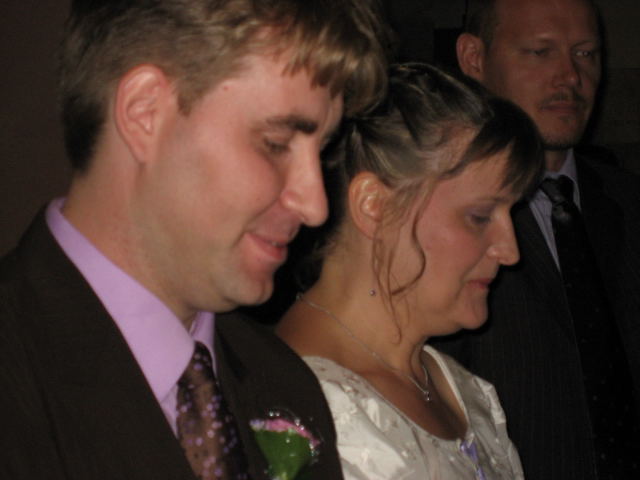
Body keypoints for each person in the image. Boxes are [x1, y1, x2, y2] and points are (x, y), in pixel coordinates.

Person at [0, 1, 387, 479]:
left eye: (320, 151)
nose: (315, 206)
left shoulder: (286, 384)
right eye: (276, 143)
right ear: (145, 112)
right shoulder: (18, 371)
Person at [277, 63, 544, 479]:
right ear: (375, 206)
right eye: (479, 216)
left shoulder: (459, 389)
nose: (509, 251)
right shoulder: (297, 408)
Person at [434, 0, 640, 478]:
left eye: (586, 53)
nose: (570, 76)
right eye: (539, 52)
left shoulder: (628, 201)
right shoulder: (438, 220)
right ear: (474, 59)